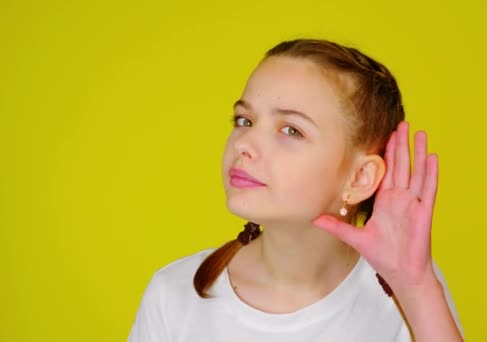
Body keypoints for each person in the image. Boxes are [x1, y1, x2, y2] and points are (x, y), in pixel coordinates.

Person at [128, 39, 464, 342]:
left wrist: (417, 289)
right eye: (244, 120)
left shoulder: (408, 295)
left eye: (290, 130)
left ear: (360, 177)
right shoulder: (173, 294)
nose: (244, 143)